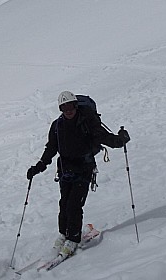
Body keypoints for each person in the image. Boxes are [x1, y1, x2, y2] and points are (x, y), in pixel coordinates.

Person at [26, 91, 130, 258]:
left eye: (71, 106)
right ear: (60, 108)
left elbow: (106, 138)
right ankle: (64, 233)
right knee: (64, 204)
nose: (68, 110)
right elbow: (51, 149)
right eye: (64, 107)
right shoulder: (57, 126)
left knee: (74, 205)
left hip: (84, 169)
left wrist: (121, 140)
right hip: (65, 170)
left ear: (76, 105)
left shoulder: (88, 122)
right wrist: (39, 166)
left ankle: (73, 239)